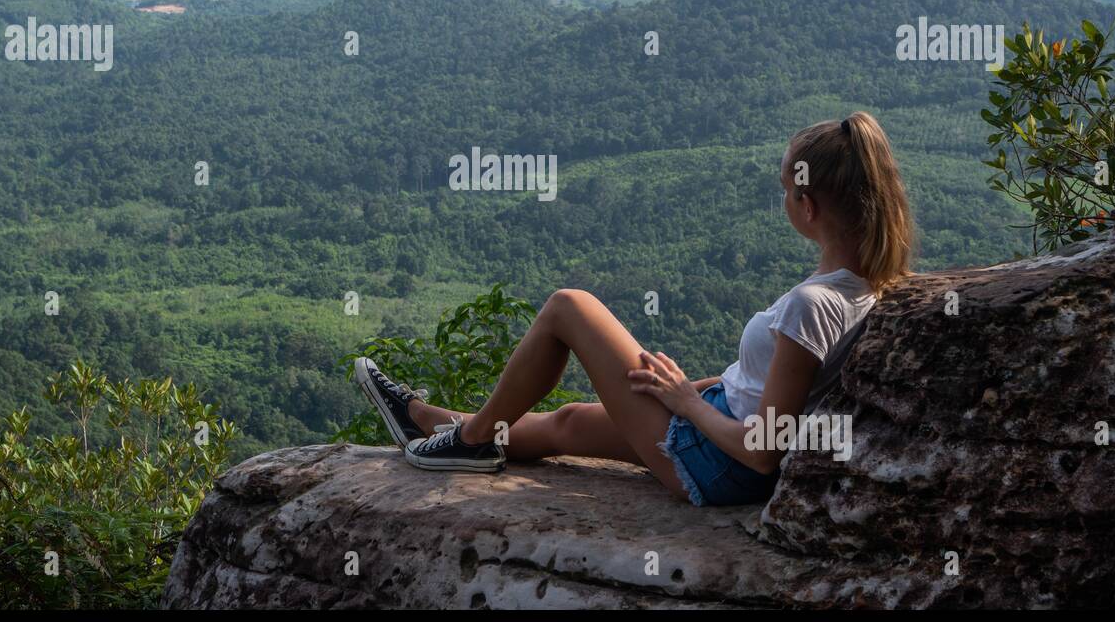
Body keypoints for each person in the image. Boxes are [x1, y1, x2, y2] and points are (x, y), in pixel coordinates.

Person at [356, 111, 914, 506]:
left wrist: (685, 405)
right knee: (570, 423)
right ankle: (429, 424)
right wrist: (695, 389)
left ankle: (472, 442)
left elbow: (764, 451)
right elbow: (776, 387)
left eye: (784, 189)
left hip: (719, 463)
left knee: (569, 306)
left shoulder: (811, 305)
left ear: (807, 205)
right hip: (716, 420)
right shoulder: (868, 285)